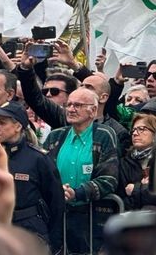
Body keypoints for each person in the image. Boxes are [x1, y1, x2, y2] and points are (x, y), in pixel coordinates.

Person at [43, 87, 118, 254]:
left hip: (91, 216)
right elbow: (43, 172)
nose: (70, 109)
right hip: (58, 214)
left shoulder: (104, 134)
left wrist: (77, 193)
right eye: (68, 104)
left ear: (92, 110)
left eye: (77, 105)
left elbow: (109, 178)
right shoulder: (55, 136)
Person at [0, 101, 64, 252]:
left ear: (18, 127)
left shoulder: (38, 159)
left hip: (28, 228)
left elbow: (56, 201)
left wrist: (55, 241)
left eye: (2, 123)